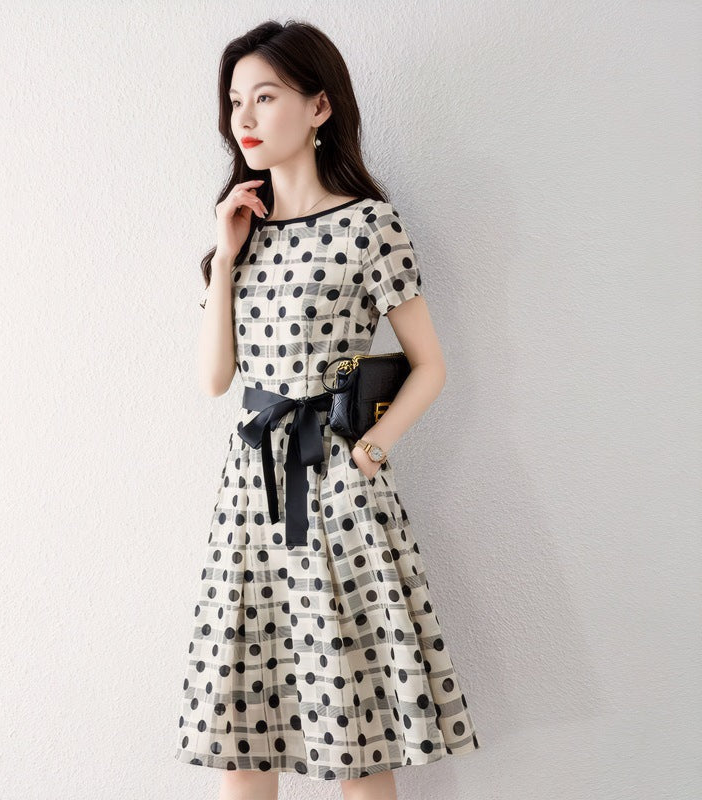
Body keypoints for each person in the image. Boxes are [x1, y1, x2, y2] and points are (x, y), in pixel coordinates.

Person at [174, 19, 480, 800]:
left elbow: (429, 365)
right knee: (243, 732)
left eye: (265, 97)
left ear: (319, 107)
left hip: (339, 488)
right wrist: (226, 252)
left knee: (355, 730)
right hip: (251, 493)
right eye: (235, 101)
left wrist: (370, 451)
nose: (243, 118)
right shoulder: (239, 233)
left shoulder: (369, 225)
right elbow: (215, 379)